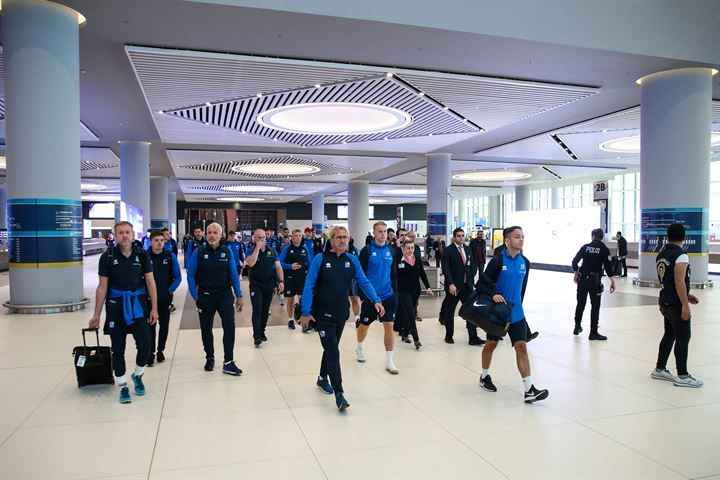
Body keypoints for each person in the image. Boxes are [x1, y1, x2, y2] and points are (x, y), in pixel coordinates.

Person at [300, 226, 384, 412]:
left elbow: (363, 281)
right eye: (338, 237)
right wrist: (305, 311)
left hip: (340, 314)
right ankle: (339, 393)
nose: (342, 240)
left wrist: (376, 300)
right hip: (322, 314)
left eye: (345, 237)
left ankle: (322, 378)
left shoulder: (351, 260)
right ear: (331, 240)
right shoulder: (320, 259)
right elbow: (309, 285)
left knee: (331, 348)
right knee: (333, 351)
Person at [476, 226, 549, 403]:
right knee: (491, 345)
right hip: (498, 313)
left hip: (516, 313)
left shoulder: (525, 262)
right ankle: (484, 376)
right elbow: (482, 284)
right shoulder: (498, 261)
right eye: (517, 237)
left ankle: (529, 389)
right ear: (507, 240)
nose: (521, 239)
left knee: (521, 347)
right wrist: (493, 294)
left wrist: (519, 306)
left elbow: (522, 289)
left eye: (522, 236)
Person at [88, 221, 159, 404]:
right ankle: (122, 385)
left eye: (127, 232)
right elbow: (102, 287)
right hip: (116, 307)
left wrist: (154, 308)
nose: (124, 235)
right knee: (118, 349)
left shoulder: (141, 255)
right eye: (120, 233)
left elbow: (150, 282)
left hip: (138, 306)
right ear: (115, 235)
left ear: (133, 234)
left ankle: (138, 375)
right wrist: (96, 315)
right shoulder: (107, 257)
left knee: (145, 345)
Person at [187, 223, 243, 375]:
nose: (212, 235)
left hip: (224, 295)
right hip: (205, 296)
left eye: (215, 232)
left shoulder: (227, 251)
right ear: (206, 235)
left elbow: (233, 274)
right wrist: (195, 296)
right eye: (209, 232)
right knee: (206, 329)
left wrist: (239, 295)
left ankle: (228, 362)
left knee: (229, 327)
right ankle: (210, 357)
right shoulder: (199, 252)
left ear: (221, 235)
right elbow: (190, 275)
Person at [652, 223, 703, 388]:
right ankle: (683, 375)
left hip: (665, 301)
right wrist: (685, 305)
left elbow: (668, 280)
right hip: (675, 304)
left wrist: (686, 295)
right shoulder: (681, 255)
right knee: (683, 337)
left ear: (668, 236)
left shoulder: (661, 254)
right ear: (684, 237)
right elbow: (679, 281)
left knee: (670, 334)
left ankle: (660, 369)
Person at [356, 221, 400, 374]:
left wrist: (395, 293)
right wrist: (362, 295)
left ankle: (390, 361)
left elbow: (394, 274)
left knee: (389, 327)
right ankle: (359, 346)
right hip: (370, 297)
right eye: (380, 231)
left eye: (385, 231)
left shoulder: (391, 250)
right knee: (364, 326)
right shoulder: (366, 251)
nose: (383, 234)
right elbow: (360, 275)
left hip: (388, 296)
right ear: (374, 233)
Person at [439, 228, 483, 345]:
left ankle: (473, 337)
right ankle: (449, 336)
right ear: (454, 237)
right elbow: (446, 268)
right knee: (450, 311)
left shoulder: (468, 249)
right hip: (454, 287)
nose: (461, 238)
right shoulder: (448, 250)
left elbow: (473, 265)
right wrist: (451, 284)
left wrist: (470, 279)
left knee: (470, 311)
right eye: (458, 236)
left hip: (467, 286)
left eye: (463, 235)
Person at [572, 228, 617, 340]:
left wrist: (576, 272)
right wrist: (612, 281)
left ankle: (577, 326)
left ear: (592, 236)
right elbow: (608, 267)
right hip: (594, 281)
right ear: (602, 237)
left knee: (580, 303)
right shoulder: (604, 249)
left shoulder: (585, 247)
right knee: (595, 307)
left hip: (582, 280)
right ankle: (593, 333)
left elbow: (574, 261)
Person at [146, 231, 181, 365]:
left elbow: (177, 277)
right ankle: (150, 352)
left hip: (165, 298)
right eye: (156, 240)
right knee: (150, 326)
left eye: (162, 240)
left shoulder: (170, 256)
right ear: (151, 242)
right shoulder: (145, 256)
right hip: (148, 299)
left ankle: (160, 350)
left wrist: (169, 290)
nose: (159, 243)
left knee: (164, 326)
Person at [245, 228, 284, 347]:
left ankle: (262, 331)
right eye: (259, 238)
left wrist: (281, 281)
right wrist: (257, 248)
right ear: (254, 238)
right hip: (256, 285)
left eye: (263, 238)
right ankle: (256, 336)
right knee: (257, 309)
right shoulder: (250, 249)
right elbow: (251, 263)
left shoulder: (272, 251)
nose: (261, 240)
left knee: (265, 310)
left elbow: (278, 267)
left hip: (269, 284)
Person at [396, 240, 431, 348]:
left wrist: (428, 287)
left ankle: (405, 333)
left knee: (409, 313)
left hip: (415, 291)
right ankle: (416, 339)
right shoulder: (399, 261)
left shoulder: (417, 259)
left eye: (412, 248)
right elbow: (394, 276)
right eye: (408, 248)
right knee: (411, 314)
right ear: (403, 249)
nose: (410, 250)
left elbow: (422, 274)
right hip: (403, 292)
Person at [278, 229, 311, 330]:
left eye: (299, 235)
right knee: (290, 300)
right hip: (290, 278)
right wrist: (290, 266)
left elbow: (309, 263)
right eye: (295, 235)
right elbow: (279, 263)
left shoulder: (305, 249)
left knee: (303, 300)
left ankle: (304, 322)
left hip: (302, 278)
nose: (297, 237)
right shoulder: (287, 249)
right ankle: (290, 320)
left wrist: (311, 276)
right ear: (292, 237)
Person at [348, 238, 362, 325]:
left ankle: (357, 317)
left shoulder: (354, 250)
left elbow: (357, 264)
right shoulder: (338, 250)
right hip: (341, 278)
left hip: (352, 278)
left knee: (354, 298)